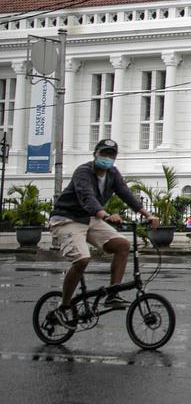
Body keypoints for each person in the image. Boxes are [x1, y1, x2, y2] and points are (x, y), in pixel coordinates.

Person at [47, 139, 159, 328]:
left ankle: (113, 294)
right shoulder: (83, 172)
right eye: (104, 154)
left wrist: (148, 214)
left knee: (123, 245)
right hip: (67, 218)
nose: (107, 158)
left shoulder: (112, 174)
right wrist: (106, 216)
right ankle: (64, 306)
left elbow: (126, 194)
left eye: (111, 155)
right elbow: (87, 198)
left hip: (90, 219)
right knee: (82, 259)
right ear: (95, 154)